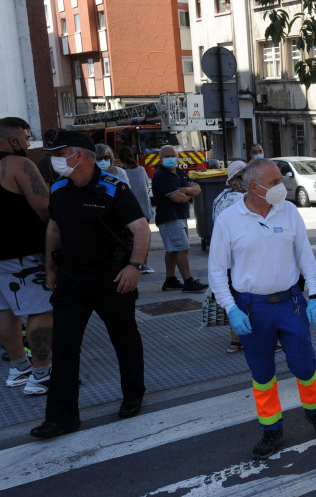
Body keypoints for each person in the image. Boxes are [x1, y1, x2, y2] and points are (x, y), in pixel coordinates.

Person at [208, 158, 316, 459]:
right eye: (276, 181)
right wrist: (231, 309)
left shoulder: (288, 211)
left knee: (305, 366)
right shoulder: (230, 220)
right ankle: (271, 428)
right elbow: (216, 271)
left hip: (291, 303)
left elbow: (305, 256)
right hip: (252, 307)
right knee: (262, 372)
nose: (283, 185)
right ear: (254, 186)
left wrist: (315, 295)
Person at [31, 131, 151, 439]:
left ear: (80, 155)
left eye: (60, 153)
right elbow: (54, 229)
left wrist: (134, 267)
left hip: (111, 277)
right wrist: (50, 268)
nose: (55, 160)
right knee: (64, 346)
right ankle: (61, 417)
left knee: (124, 338)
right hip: (72, 278)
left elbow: (140, 229)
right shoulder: (58, 187)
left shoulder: (113, 188)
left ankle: (133, 394)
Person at [0, 117, 53, 396]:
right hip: (22, 254)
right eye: (25, 137)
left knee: (5, 311)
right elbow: (45, 207)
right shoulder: (19, 164)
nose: (27, 143)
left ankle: (19, 367)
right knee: (40, 309)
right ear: (12, 141)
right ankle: (41, 374)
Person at [151, 145, 208, 293]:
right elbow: (176, 197)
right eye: (167, 156)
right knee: (182, 248)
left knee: (173, 250)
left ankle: (170, 280)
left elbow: (197, 189)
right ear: (160, 158)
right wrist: (188, 193)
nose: (170, 158)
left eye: (173, 155)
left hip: (180, 216)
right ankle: (188, 281)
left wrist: (185, 190)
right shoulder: (161, 175)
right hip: (170, 217)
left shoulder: (179, 172)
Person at [212, 160, 247, 354]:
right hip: (239, 258)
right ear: (233, 180)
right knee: (245, 297)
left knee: (233, 297)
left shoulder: (219, 198)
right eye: (243, 177)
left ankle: (235, 341)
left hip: (225, 258)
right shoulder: (238, 199)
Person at [117, 146, 154, 274]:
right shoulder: (141, 169)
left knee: (130, 240)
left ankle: (131, 263)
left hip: (128, 211)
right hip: (144, 209)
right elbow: (147, 186)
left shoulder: (120, 172)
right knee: (144, 237)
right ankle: (145, 264)